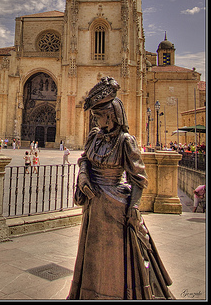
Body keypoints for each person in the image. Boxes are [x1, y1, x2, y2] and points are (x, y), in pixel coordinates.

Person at [67, 76, 174, 300]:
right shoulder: (94, 137)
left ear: (112, 115)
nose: (95, 121)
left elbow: (139, 178)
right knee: (94, 253)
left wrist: (133, 208)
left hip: (116, 206)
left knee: (115, 255)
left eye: (99, 116)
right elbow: (84, 159)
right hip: (94, 205)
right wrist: (84, 177)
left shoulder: (126, 141)